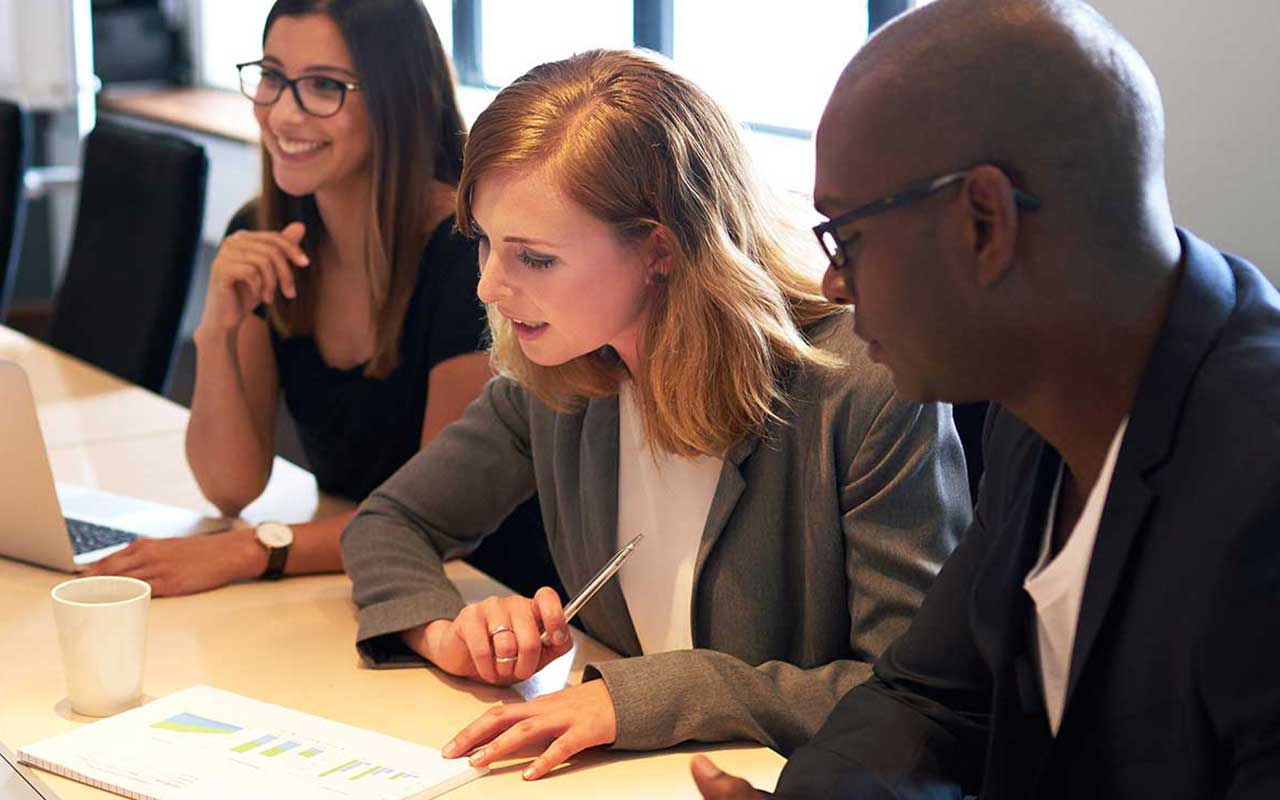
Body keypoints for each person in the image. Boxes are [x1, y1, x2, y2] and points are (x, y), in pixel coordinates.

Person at [692, 0, 1280, 797]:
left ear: (983, 220)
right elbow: (929, 697)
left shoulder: (1258, 476)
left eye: (846, 237)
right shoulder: (1039, 407)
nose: (833, 282)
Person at [341, 49, 972, 781]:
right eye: (483, 242)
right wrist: (444, 629)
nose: (486, 287)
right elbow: (389, 522)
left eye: (533, 258)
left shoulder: (861, 390)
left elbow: (914, 702)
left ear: (660, 250)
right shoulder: (558, 369)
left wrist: (651, 697)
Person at [86, 0, 554, 600]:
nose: (283, 111)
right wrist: (216, 331)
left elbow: (444, 521)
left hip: (488, 597)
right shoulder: (263, 236)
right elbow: (230, 487)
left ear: (397, 98)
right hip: (357, 572)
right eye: (273, 77)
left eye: (323, 86)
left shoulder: (468, 254)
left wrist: (248, 550)